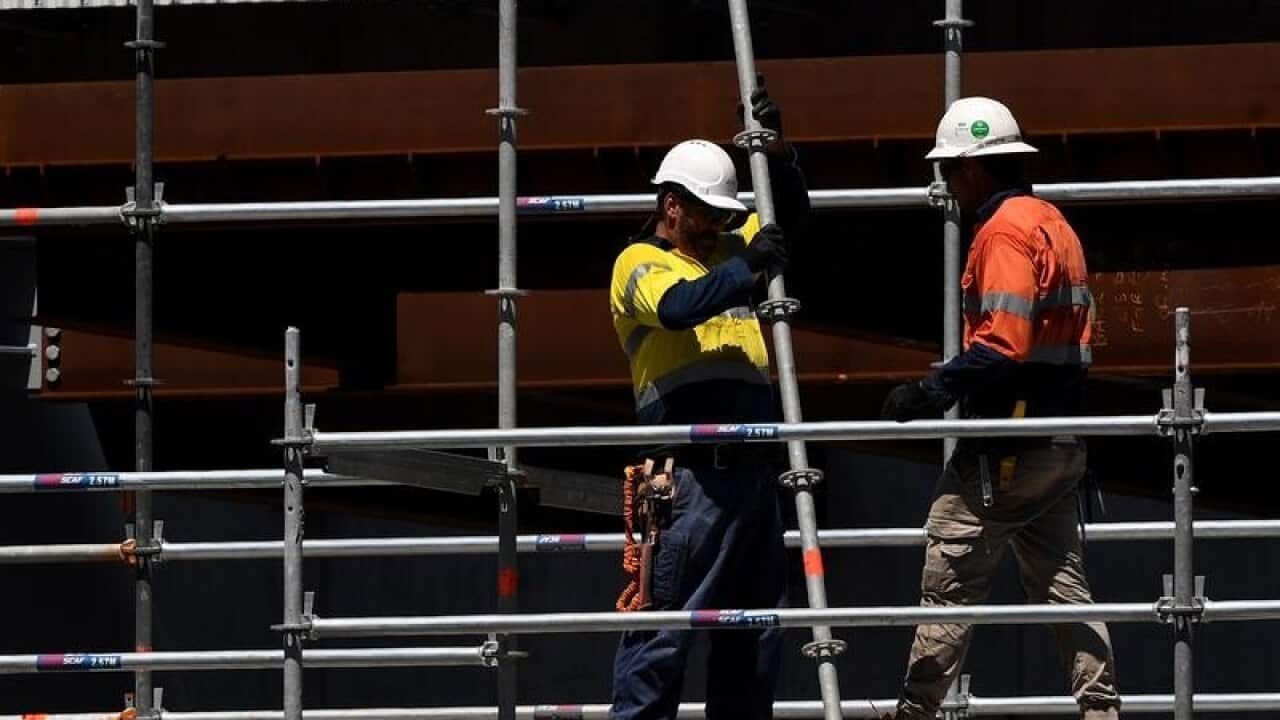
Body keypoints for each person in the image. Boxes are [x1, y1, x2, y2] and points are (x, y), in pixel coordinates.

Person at [880, 96, 1121, 720]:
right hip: (1058, 442)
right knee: (1066, 591)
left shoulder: (1003, 233)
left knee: (949, 574)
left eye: (947, 172)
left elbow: (1003, 343)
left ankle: (916, 712)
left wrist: (931, 392)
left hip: (1005, 443)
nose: (946, 186)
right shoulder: (1053, 223)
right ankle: (1102, 713)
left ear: (971, 169)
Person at [607, 79, 809, 720]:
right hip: (686, 483)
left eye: (726, 212)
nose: (721, 222)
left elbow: (788, 220)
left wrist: (776, 155)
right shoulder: (640, 262)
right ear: (671, 206)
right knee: (660, 640)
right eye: (707, 212)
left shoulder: (727, 246)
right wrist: (744, 266)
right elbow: (678, 308)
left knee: (752, 645)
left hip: (751, 478)